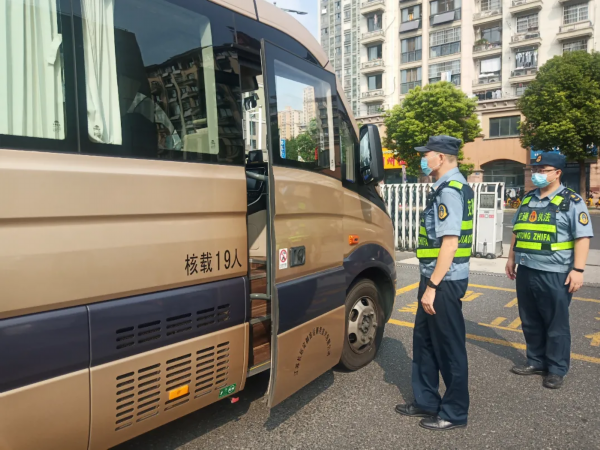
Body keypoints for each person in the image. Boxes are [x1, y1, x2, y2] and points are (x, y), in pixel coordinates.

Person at [395, 135, 474, 431]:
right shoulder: (446, 187)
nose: (422, 159)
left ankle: (454, 412)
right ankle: (426, 400)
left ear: (440, 157)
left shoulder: (450, 191)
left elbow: (450, 244)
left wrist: (432, 287)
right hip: (434, 276)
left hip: (444, 281)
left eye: (425, 154)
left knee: (449, 347)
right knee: (425, 341)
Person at [506, 153, 593, 389]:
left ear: (557, 173)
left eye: (543, 170)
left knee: (555, 323)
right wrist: (511, 258)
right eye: (536, 169)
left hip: (556, 272)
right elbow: (517, 230)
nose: (538, 174)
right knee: (529, 319)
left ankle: (556, 368)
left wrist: (578, 270)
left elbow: (582, 237)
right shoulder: (528, 199)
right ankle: (535, 361)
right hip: (527, 268)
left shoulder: (572, 201)